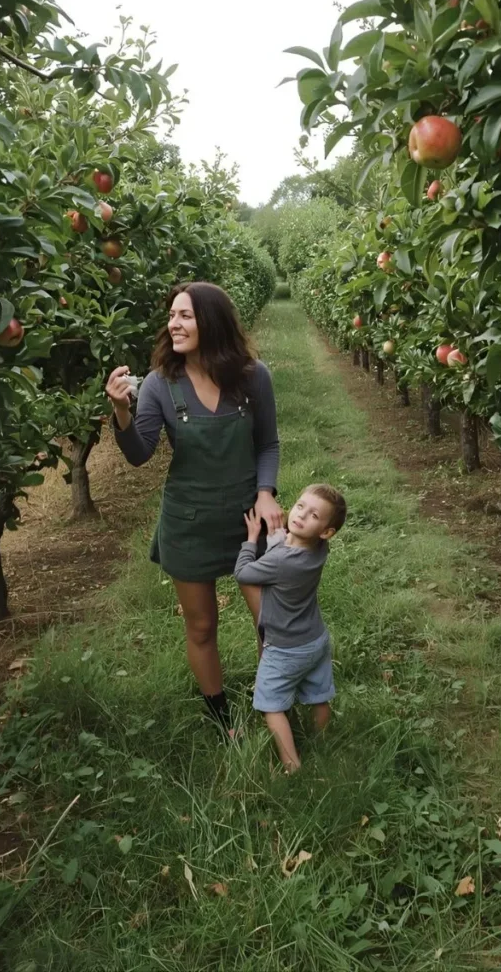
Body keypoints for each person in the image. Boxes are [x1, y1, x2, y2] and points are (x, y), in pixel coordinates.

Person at [105, 282, 283, 736]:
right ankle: (222, 722)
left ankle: (273, 708)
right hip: (189, 521)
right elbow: (140, 453)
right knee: (202, 627)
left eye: (185, 315)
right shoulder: (161, 384)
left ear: (211, 320)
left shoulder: (252, 376)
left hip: (248, 520)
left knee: (272, 624)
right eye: (171, 316)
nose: (174, 324)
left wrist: (266, 492)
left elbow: (267, 443)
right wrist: (122, 412)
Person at [234, 483, 346, 771]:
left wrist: (251, 539)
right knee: (319, 696)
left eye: (313, 515)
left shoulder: (281, 560)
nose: (301, 515)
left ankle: (292, 766)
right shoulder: (319, 549)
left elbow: (243, 573)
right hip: (316, 640)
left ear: (326, 531)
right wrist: (281, 537)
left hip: (285, 648)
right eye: (300, 506)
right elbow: (289, 545)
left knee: (270, 706)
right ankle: (322, 744)